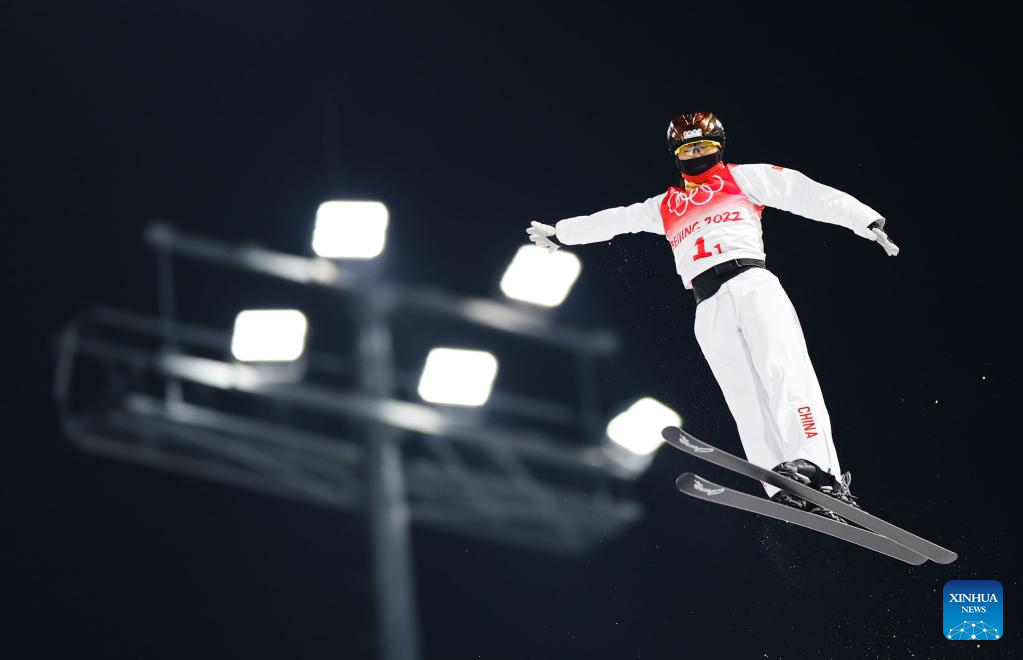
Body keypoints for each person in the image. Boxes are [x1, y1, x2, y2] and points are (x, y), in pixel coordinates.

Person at [526, 112, 899, 520]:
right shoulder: (666, 205)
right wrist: (563, 233)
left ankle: (821, 471)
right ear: (677, 155)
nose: (697, 154)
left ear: (719, 147)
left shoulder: (742, 178)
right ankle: (781, 483)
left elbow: (802, 191)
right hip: (708, 305)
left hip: (751, 284)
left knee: (783, 371)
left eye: (703, 146)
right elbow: (618, 219)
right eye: (689, 149)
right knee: (744, 397)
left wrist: (864, 219)